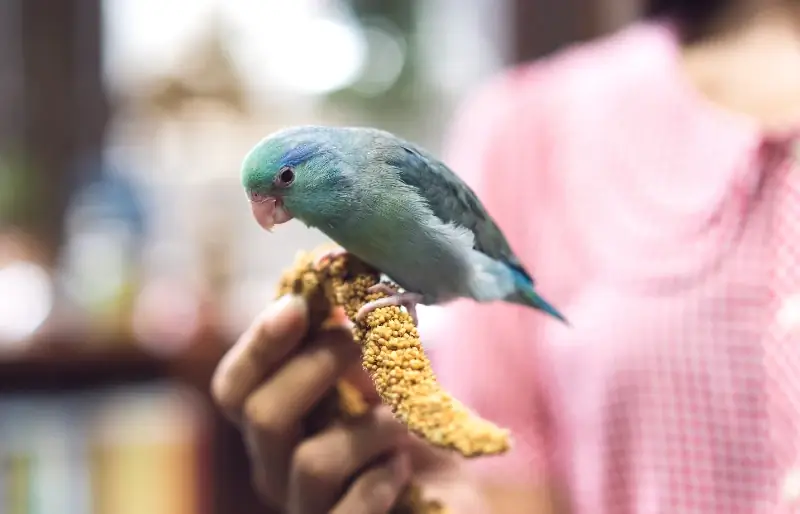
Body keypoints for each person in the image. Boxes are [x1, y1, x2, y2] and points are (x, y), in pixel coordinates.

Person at [211, 0, 800, 512]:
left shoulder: (397, 175)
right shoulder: (532, 125)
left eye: (285, 181)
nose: (272, 210)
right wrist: (421, 491)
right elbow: (500, 475)